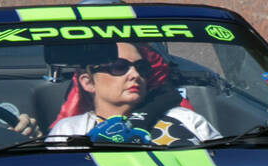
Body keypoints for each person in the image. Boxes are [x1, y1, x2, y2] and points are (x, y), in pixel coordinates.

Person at [46, 42, 219, 146]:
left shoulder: (186, 119)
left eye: (141, 68)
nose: (135, 75)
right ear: (88, 82)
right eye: (119, 67)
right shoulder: (69, 130)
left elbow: (223, 162)